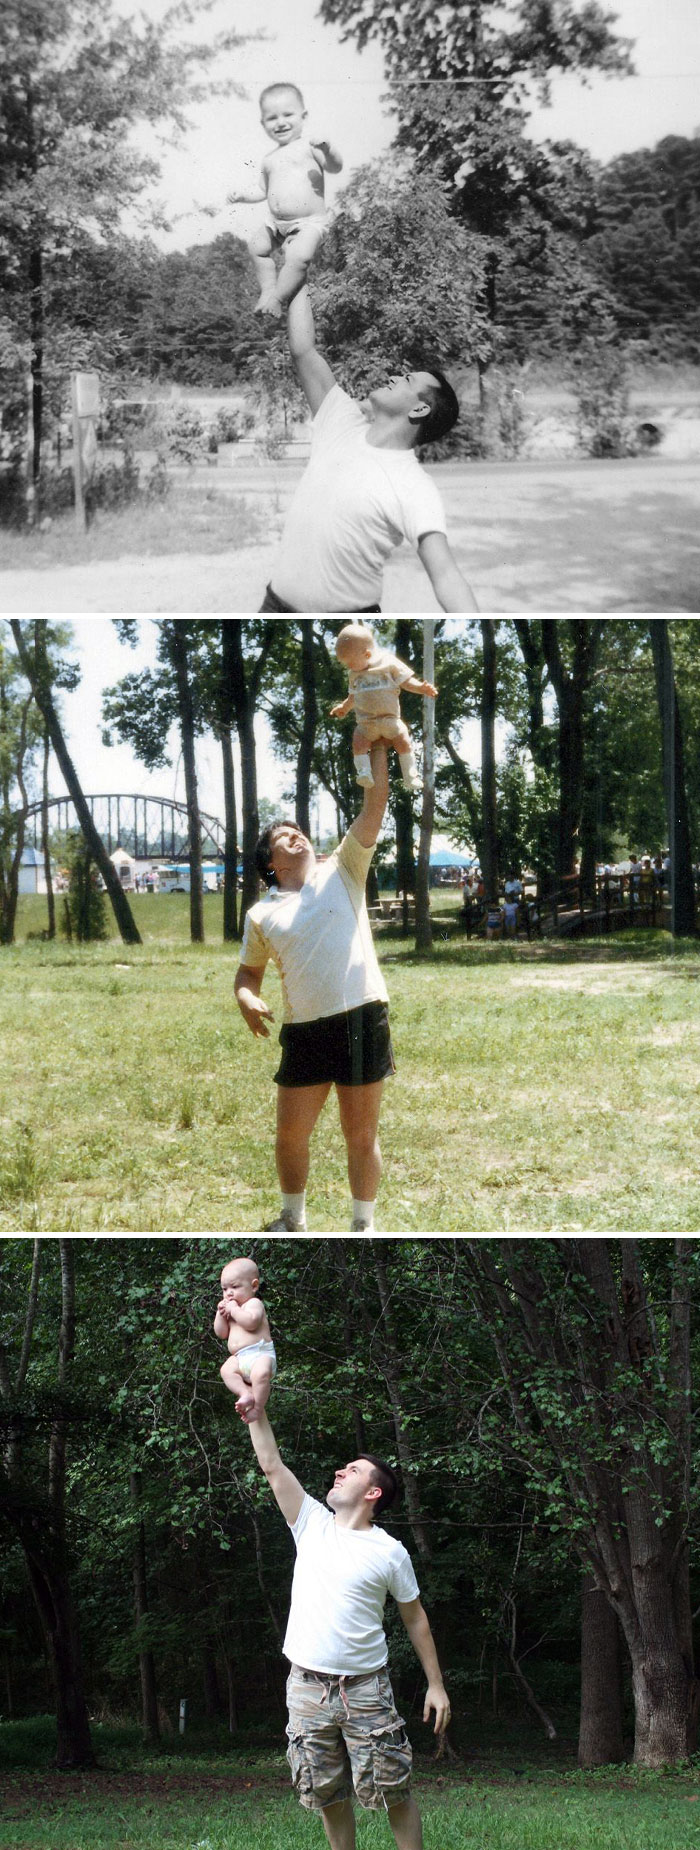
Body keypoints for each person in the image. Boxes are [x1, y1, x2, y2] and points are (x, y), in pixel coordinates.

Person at [236, 1403, 450, 1850]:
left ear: (373, 1492)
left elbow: (415, 1618)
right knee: (326, 1791)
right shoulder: (311, 1522)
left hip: (366, 1689)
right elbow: (272, 1466)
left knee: (393, 1789)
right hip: (307, 1688)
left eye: (352, 1470)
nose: (339, 1471)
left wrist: (436, 1684)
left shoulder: (390, 1552)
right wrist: (256, 1414)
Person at [234, 742, 392, 1233]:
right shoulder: (261, 914)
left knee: (360, 1134)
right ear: (270, 863)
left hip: (361, 1016)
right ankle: (291, 1218)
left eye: (298, 831)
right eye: (284, 837)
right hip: (304, 1031)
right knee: (288, 1135)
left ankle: (362, 1224)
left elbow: (375, 804)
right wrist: (245, 997)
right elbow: (248, 973)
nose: (296, 836)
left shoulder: (343, 869)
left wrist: (376, 751)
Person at [258, 286, 479, 614]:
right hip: (274, 609)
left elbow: (445, 573)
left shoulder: (413, 486)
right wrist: (298, 274)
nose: (394, 377)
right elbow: (303, 350)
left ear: (419, 410)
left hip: (352, 627)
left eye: (406, 380)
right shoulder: (340, 420)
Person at [228, 83, 342, 317]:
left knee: (299, 257)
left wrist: (328, 148)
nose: (280, 122)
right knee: (257, 248)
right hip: (277, 223)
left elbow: (335, 167)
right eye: (272, 118)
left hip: (310, 222)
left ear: (304, 116)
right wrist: (242, 196)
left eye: (288, 115)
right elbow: (262, 190)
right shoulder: (269, 159)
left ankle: (278, 298)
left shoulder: (310, 146)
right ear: (263, 124)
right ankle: (268, 289)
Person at [330, 623, 437, 793]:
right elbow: (353, 697)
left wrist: (421, 688)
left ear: (367, 654)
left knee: (403, 739)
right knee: (358, 741)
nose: (348, 668)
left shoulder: (388, 663)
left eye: (350, 663)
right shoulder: (354, 675)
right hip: (366, 724)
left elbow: (406, 681)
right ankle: (364, 772)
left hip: (390, 720)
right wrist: (344, 707)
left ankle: (410, 775)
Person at [214, 1254, 277, 1423]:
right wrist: (220, 1315)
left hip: (260, 1354)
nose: (228, 1294)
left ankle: (257, 1408)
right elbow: (221, 1333)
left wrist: (234, 1310)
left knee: (261, 1373)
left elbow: (251, 1323)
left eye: (234, 1287)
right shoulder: (231, 1308)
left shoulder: (253, 1304)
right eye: (224, 1289)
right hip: (240, 1358)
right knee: (226, 1370)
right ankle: (245, 1393)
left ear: (253, 1286)